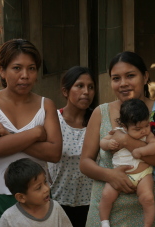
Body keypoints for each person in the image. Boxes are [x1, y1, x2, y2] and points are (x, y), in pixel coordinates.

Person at [80, 51, 155, 227]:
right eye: (116, 78)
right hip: (108, 210)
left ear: (145, 77)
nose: (123, 83)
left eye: (130, 76)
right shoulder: (101, 112)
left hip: (150, 207)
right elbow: (85, 162)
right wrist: (110, 175)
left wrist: (126, 141)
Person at [0, 39, 62, 227]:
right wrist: (37, 133)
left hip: (37, 198)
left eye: (31, 68)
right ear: (2, 71)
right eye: (17, 68)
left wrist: (7, 135)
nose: (25, 75)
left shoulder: (46, 105)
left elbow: (54, 153)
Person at [99, 98, 155, 227]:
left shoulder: (147, 135)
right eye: (137, 129)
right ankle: (104, 222)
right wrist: (108, 143)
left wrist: (142, 151)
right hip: (119, 175)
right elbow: (102, 143)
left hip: (143, 175)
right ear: (124, 126)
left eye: (146, 125)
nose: (143, 131)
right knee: (106, 195)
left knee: (148, 198)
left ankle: (147, 225)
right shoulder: (117, 132)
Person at [48, 66, 95, 226]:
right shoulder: (52, 120)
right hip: (57, 201)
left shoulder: (97, 122)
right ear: (65, 91)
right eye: (79, 86)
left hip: (91, 203)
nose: (86, 92)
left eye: (90, 87)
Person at [0, 158, 72, 227]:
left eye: (45, 182)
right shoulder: (9, 218)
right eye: (39, 188)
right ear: (21, 197)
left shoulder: (56, 208)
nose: (46, 189)